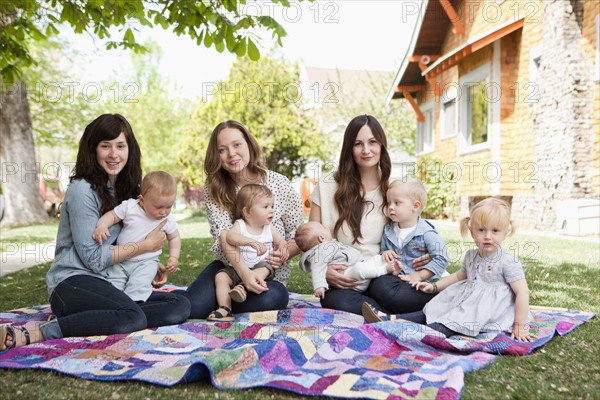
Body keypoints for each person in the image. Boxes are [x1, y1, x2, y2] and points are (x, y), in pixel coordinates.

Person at [0, 114, 190, 351]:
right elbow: (92, 258)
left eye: (120, 146)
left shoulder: (126, 190)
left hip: (112, 283)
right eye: (105, 146)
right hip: (72, 283)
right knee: (133, 317)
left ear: (130, 150)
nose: (114, 154)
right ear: (93, 149)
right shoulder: (82, 191)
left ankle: (89, 320)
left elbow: (126, 240)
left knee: (179, 303)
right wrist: (143, 247)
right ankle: (43, 331)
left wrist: (145, 264)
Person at [308, 114, 432, 315]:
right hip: (346, 274)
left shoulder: (393, 188)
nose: (366, 150)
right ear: (350, 148)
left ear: (381, 144)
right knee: (336, 301)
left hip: (381, 270)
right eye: (358, 144)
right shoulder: (328, 184)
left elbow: (414, 227)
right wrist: (324, 272)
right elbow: (312, 239)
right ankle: (403, 316)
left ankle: (391, 311)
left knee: (390, 293)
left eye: (372, 142)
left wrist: (424, 252)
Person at [363, 197, 535, 342]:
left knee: (450, 322)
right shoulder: (472, 255)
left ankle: (414, 332)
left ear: (506, 232)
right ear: (472, 231)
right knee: (435, 308)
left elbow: (522, 292)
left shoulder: (508, 261)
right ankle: (392, 319)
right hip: (467, 299)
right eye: (481, 230)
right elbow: (460, 276)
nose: (488, 236)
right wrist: (434, 286)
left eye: (495, 231)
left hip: (488, 310)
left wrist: (519, 325)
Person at [183, 120, 303, 319]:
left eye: (237, 145)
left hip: (267, 270)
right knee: (194, 308)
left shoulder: (278, 183)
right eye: (222, 149)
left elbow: (297, 233)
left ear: (249, 144)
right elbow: (223, 235)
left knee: (275, 297)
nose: (231, 154)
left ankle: (224, 303)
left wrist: (283, 253)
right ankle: (225, 297)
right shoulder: (215, 187)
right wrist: (244, 274)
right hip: (230, 266)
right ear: (217, 155)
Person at [92, 170, 180, 302]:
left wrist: (174, 257)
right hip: (121, 260)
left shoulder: (167, 220)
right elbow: (112, 215)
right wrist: (102, 226)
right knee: (112, 285)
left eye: (169, 207)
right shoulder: (130, 207)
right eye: (158, 207)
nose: (164, 212)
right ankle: (113, 304)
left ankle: (134, 306)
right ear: (142, 200)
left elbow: (174, 237)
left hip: (147, 263)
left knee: (138, 287)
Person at [208, 184, 288, 321]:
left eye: (272, 206)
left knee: (265, 267)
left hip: (260, 267)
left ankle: (242, 287)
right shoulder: (240, 225)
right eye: (266, 207)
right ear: (247, 212)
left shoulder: (269, 228)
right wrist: (250, 242)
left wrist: (283, 250)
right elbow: (230, 237)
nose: (271, 210)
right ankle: (225, 308)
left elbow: (281, 241)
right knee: (221, 277)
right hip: (238, 269)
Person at [295, 221, 400, 299]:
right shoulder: (322, 250)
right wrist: (319, 286)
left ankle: (389, 266)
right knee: (359, 269)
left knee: (375, 259)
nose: (327, 228)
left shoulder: (328, 246)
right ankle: (385, 270)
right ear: (321, 238)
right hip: (348, 277)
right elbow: (317, 267)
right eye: (324, 228)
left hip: (354, 269)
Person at [380, 178, 448, 282]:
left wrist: (419, 276)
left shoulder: (426, 233)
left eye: (397, 203)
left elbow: (442, 258)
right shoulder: (388, 231)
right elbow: (382, 252)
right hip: (400, 280)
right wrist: (385, 253)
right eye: (389, 203)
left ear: (415, 206)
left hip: (426, 282)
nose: (390, 207)